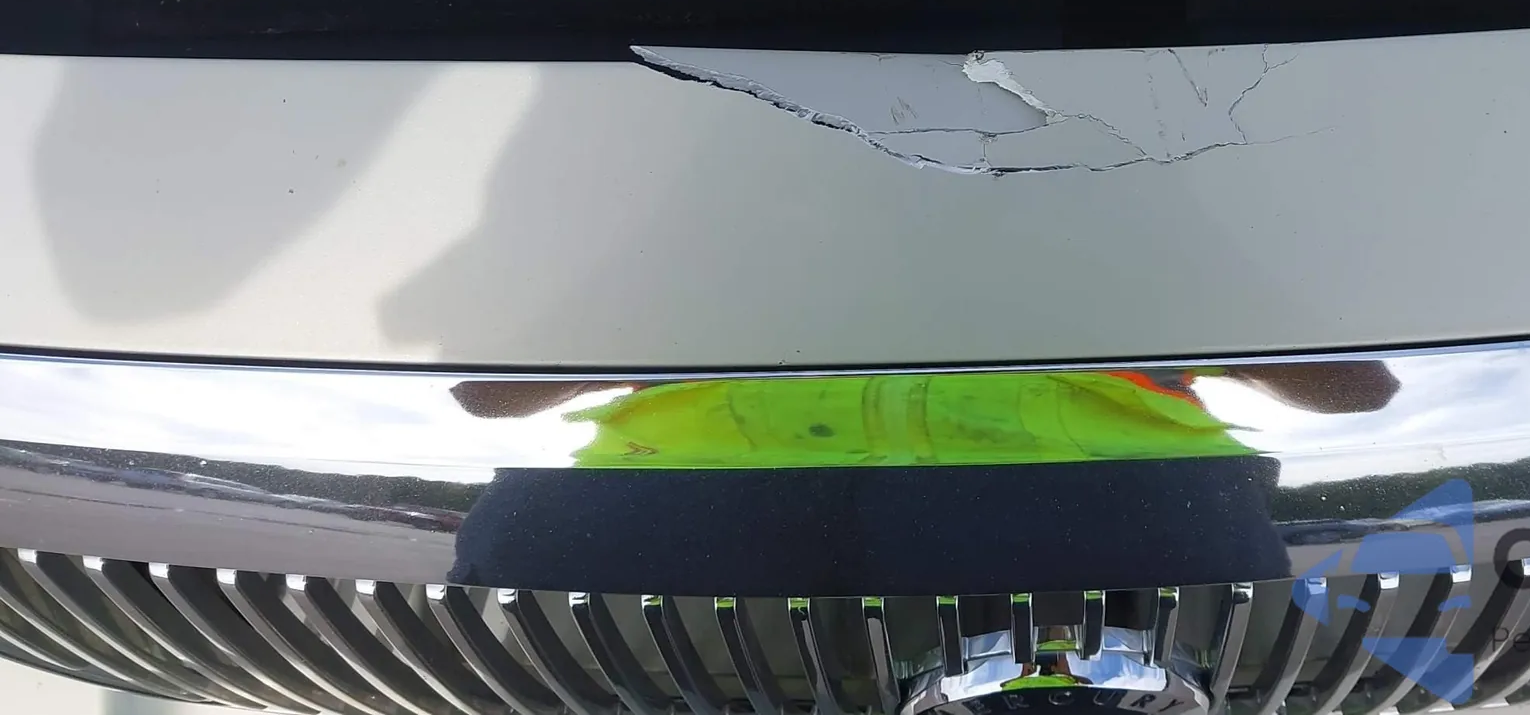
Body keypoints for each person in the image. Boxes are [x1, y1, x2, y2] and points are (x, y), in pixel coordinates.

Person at [448, 363, 1398, 595]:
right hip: (662, 498)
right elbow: (487, 393)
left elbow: (1361, 387)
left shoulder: (1159, 174)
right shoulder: (632, 193)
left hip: (1112, 493)